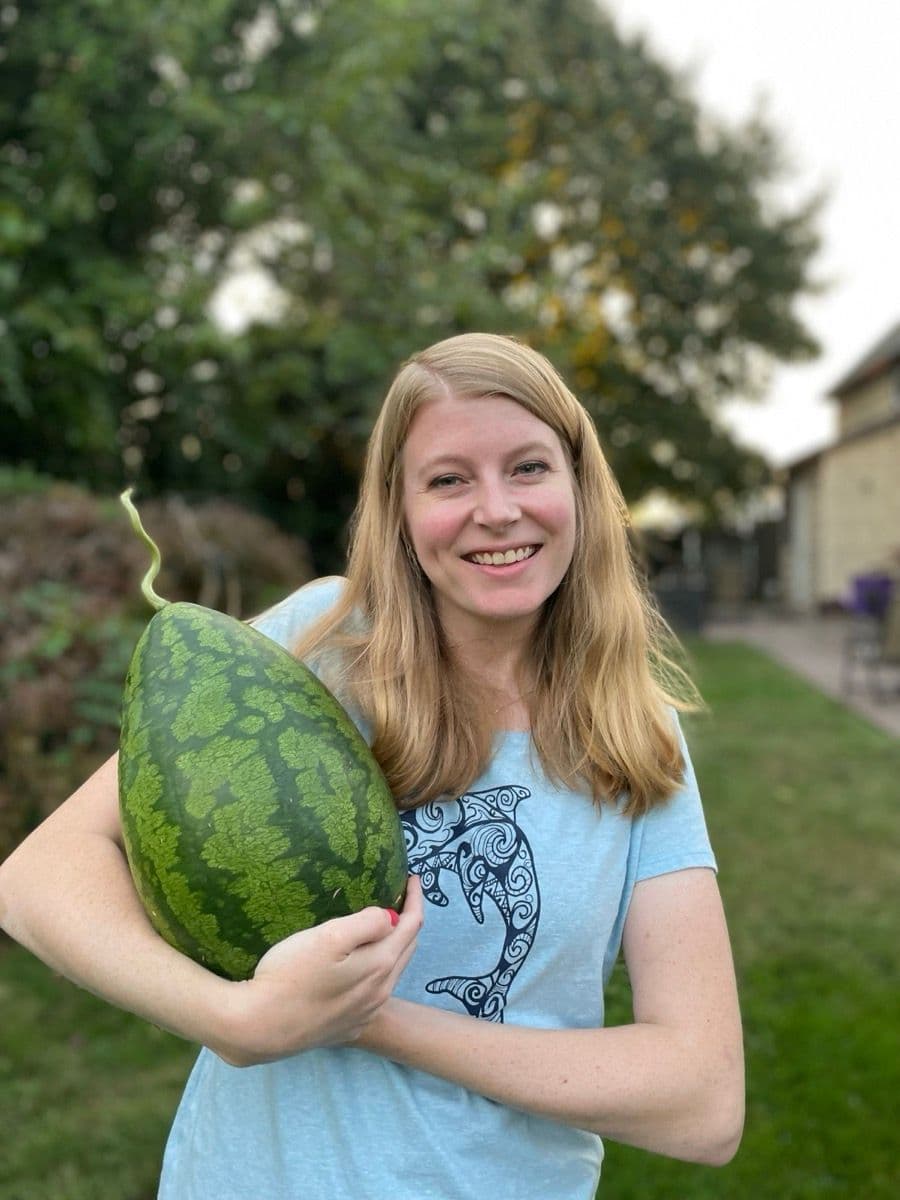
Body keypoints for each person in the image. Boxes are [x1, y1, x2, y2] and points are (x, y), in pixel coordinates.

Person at [0, 332, 744, 1198]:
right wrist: (235, 1017)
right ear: (398, 508)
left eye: (530, 467)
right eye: (448, 479)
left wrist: (367, 1021)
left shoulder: (632, 733)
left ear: (581, 485)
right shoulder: (321, 647)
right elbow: (35, 878)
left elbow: (703, 1099)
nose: (496, 510)